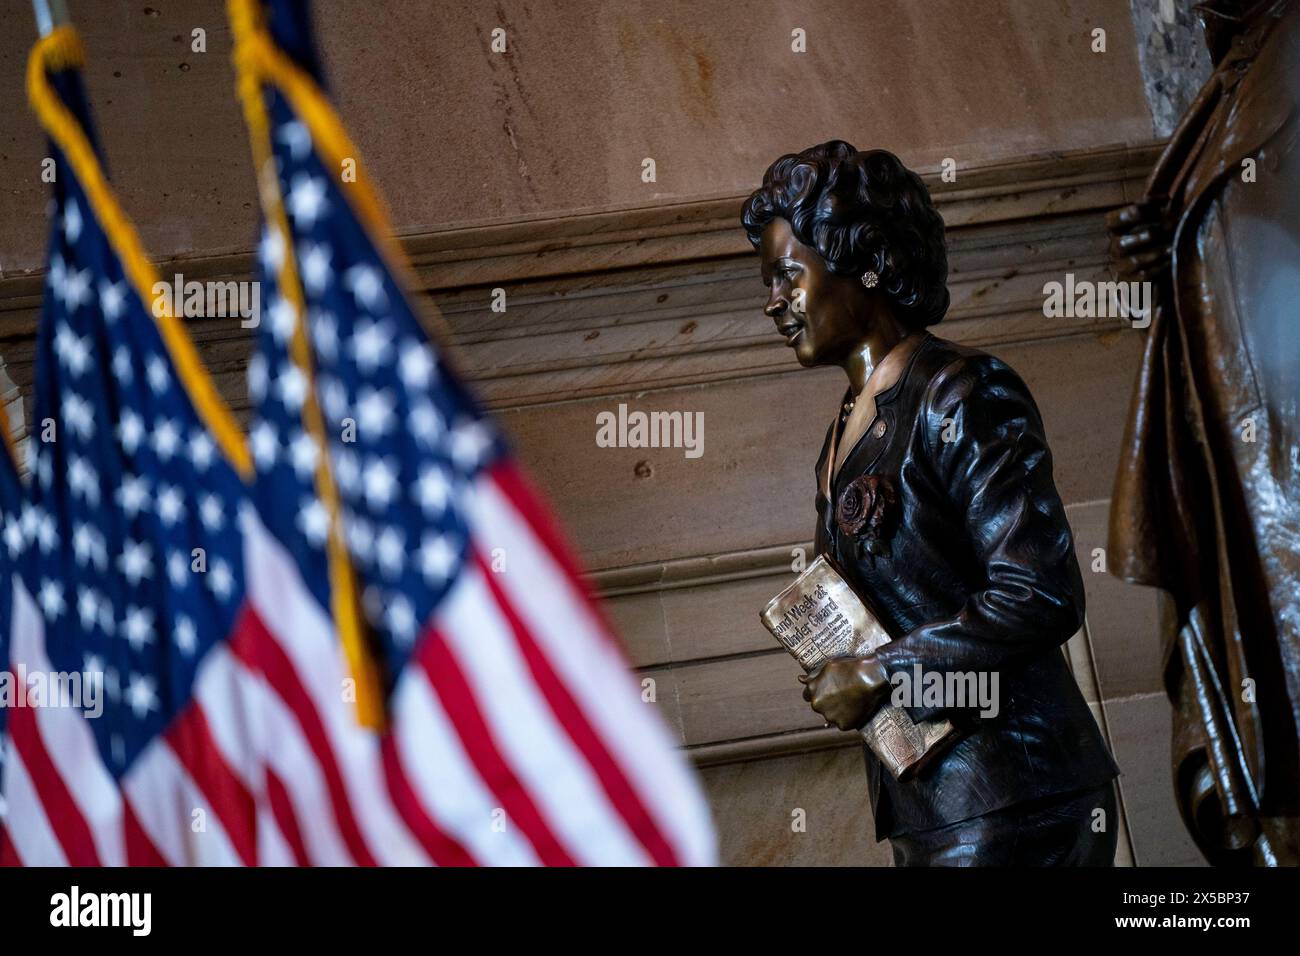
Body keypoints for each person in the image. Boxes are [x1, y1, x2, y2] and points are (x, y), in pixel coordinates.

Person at [742, 141, 1119, 865]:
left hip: (1015, 791)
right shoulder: (843, 430)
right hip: (929, 801)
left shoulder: (961, 391)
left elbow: (1040, 593)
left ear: (864, 262)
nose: (773, 303)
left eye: (789, 277)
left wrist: (882, 674)